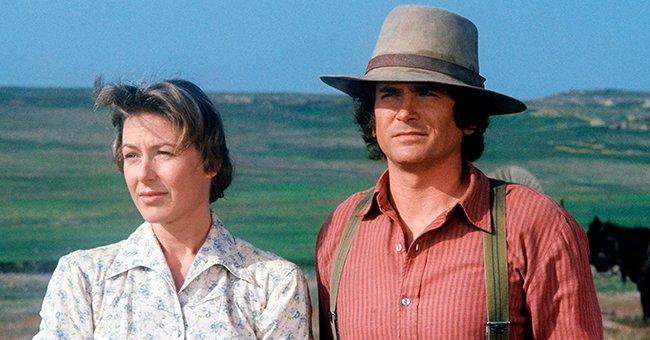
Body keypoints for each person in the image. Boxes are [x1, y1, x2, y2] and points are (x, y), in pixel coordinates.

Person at [315, 5, 602, 339]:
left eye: (427, 92)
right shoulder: (339, 232)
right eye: (390, 93)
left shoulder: (535, 227)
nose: (405, 111)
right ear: (372, 116)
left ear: (468, 117)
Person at [34, 78, 313, 339]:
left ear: (211, 162)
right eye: (132, 155)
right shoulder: (84, 278)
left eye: (163, 153)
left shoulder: (272, 284)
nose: (143, 174)